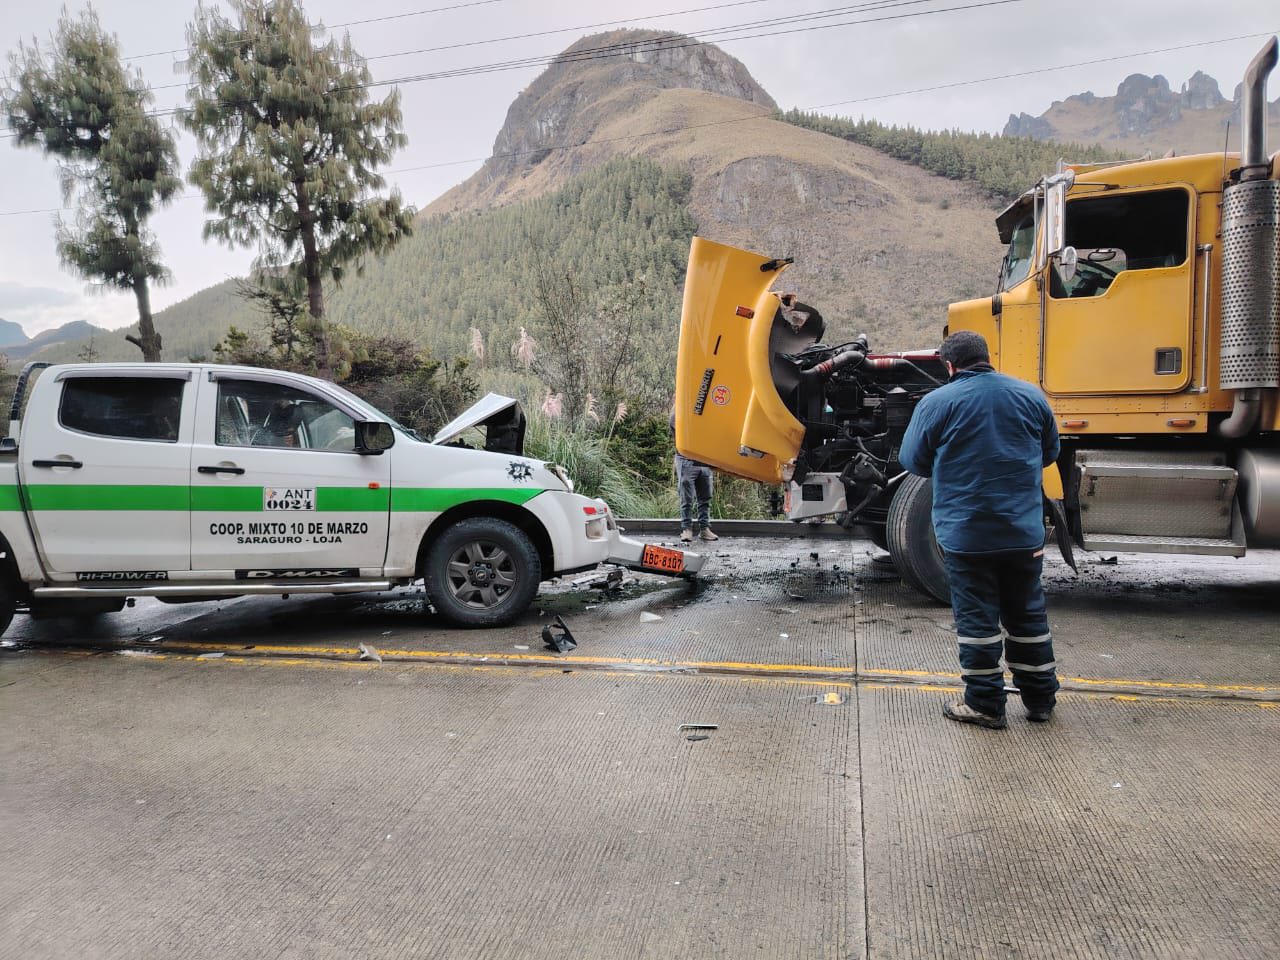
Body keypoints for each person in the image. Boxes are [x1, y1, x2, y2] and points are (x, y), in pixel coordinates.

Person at [898, 331, 1060, 730]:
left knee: (977, 621)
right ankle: (1040, 700)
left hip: (967, 536)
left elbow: (913, 461)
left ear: (949, 366)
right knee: (1028, 616)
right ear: (988, 357)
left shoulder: (937, 402)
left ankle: (985, 704)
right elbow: (1050, 452)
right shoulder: (1031, 395)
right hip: (1023, 533)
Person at [669, 410, 718, 543]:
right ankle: (686, 529)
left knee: (705, 498)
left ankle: (704, 529)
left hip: (704, 460)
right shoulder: (677, 414)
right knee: (687, 498)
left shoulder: (705, 411)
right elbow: (686, 435)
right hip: (687, 460)